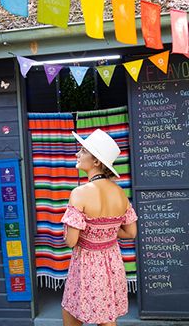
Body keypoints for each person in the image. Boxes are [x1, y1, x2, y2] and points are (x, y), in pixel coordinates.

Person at [61, 128, 137, 326]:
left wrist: (81, 228)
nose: (77, 153)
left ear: (96, 161)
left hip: (86, 264)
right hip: (112, 262)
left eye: (83, 150)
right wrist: (106, 231)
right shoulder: (120, 193)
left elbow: (71, 241)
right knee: (106, 318)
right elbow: (131, 232)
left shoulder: (79, 193)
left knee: (71, 312)